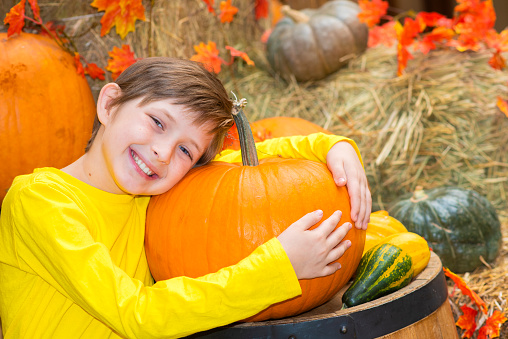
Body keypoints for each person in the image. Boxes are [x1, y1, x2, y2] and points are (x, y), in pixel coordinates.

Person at [0, 57, 371, 339]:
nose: (162, 152)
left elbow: (248, 162)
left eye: (185, 151)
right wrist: (277, 268)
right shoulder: (42, 201)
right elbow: (136, 313)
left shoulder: (151, 191)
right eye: (158, 122)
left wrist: (330, 146)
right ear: (110, 105)